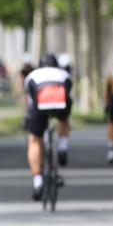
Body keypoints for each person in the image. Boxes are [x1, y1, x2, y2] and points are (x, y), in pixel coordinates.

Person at [23, 54, 72, 200]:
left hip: (39, 104)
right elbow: (68, 91)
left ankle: (37, 181)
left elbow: (29, 99)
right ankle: (63, 147)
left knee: (34, 140)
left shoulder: (32, 75)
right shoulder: (64, 74)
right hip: (60, 103)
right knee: (64, 119)